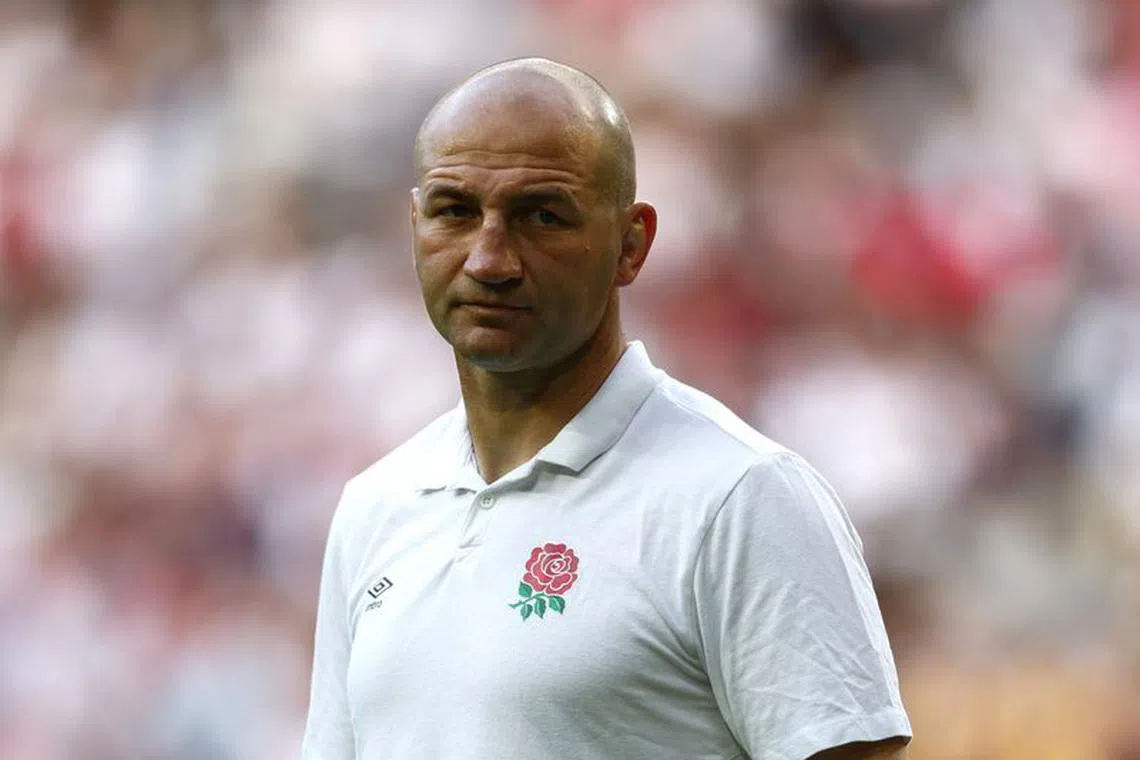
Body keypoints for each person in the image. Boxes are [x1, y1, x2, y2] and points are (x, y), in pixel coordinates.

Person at [302, 57, 912, 760]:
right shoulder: (376, 506)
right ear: (415, 225)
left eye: (542, 216)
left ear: (632, 244)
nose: (489, 259)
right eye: (454, 212)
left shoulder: (740, 498)